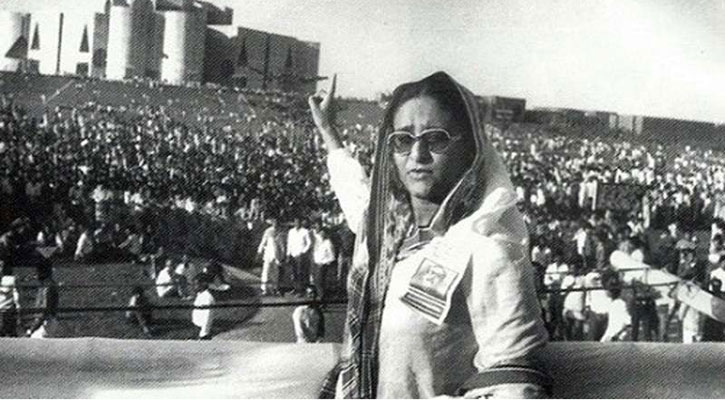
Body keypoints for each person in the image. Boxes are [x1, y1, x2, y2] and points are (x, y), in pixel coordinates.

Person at [310, 72, 550, 398]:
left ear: (469, 148)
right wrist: (329, 133)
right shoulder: (384, 230)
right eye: (403, 140)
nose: (417, 154)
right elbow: (357, 196)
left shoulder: (487, 249)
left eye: (436, 139)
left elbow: (518, 384)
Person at [27, 260, 59, 338]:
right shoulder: (44, 286)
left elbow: (44, 310)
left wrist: (32, 329)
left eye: (38, 272)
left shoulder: (47, 287)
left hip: (46, 323)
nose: (36, 275)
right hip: (43, 322)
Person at [256, 218, 284, 296]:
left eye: (277, 222)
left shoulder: (280, 232)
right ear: (272, 223)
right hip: (268, 254)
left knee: (276, 273)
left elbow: (282, 246)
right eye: (274, 222)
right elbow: (263, 242)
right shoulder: (268, 231)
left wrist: (282, 256)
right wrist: (259, 252)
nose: (275, 223)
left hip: (277, 255)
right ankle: (264, 289)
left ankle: (275, 288)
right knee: (266, 272)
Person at [286, 218, 312, 296]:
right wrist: (288, 254)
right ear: (294, 223)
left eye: (298, 222)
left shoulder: (305, 231)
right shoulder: (291, 231)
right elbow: (289, 243)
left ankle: (301, 291)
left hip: (301, 255)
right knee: (294, 273)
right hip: (293, 254)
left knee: (300, 273)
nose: (297, 223)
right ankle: (295, 289)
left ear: (301, 223)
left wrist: (303, 252)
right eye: (295, 222)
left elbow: (309, 243)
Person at [312, 226, 336, 301]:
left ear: (326, 234)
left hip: (322, 265)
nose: (321, 235)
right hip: (316, 264)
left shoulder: (328, 243)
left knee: (320, 282)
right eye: (320, 233)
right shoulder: (318, 242)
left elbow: (332, 257)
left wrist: (324, 263)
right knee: (316, 281)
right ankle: (319, 296)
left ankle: (322, 298)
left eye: (323, 234)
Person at [192, 275, 215, 340]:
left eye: (196, 284)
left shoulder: (207, 297)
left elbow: (208, 316)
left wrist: (204, 332)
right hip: (196, 327)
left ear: (203, 284)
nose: (194, 286)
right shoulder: (200, 295)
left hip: (202, 330)